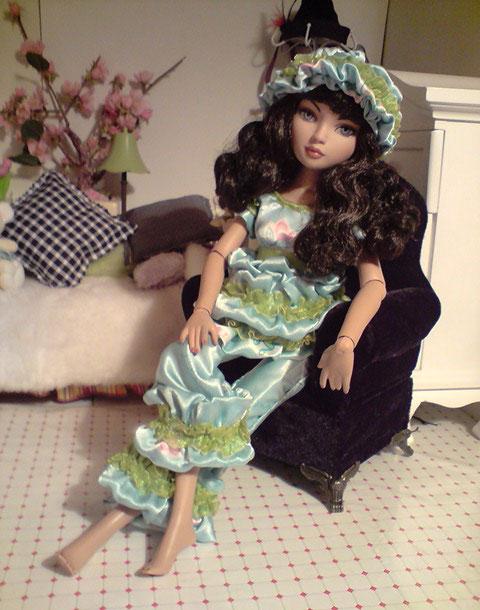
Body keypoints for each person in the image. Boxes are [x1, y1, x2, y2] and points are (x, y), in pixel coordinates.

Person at [56, 46, 419, 577]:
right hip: (238, 318)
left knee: (229, 411)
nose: (319, 136)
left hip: (296, 341)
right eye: (309, 115)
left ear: (360, 143)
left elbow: (374, 286)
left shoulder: (348, 216)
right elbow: (218, 254)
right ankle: (177, 519)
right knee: (184, 361)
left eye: (342, 127)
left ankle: (119, 520)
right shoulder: (264, 199)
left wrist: (344, 344)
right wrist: (202, 309)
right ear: (287, 116)